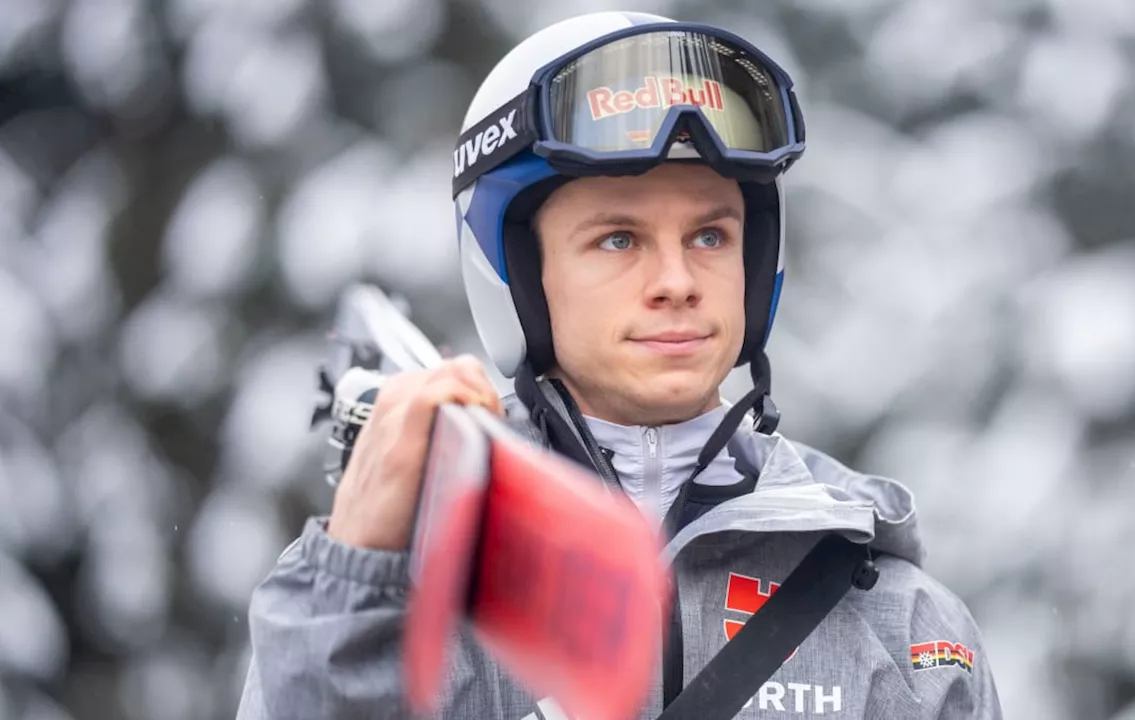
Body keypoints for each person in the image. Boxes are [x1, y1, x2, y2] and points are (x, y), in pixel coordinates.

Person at [236, 10, 1002, 720]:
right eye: (619, 239)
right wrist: (355, 579)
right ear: (521, 277)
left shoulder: (900, 624)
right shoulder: (396, 589)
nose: (677, 281)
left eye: (710, 236)